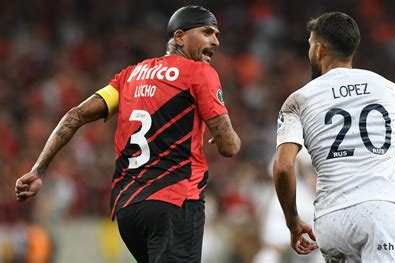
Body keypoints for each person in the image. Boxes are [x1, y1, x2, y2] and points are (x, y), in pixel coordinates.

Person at [15, 5, 240, 263]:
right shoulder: (200, 73)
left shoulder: (130, 76)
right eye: (207, 32)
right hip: (175, 200)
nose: (216, 41)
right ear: (179, 37)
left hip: (128, 209)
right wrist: (228, 135)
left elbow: (74, 116)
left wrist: (39, 169)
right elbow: (229, 147)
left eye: (217, 34)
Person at [273, 12, 395, 262]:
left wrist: (292, 221)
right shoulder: (389, 89)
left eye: (309, 45)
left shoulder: (298, 99)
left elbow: (283, 167)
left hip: (330, 219)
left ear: (319, 48)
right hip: (384, 213)